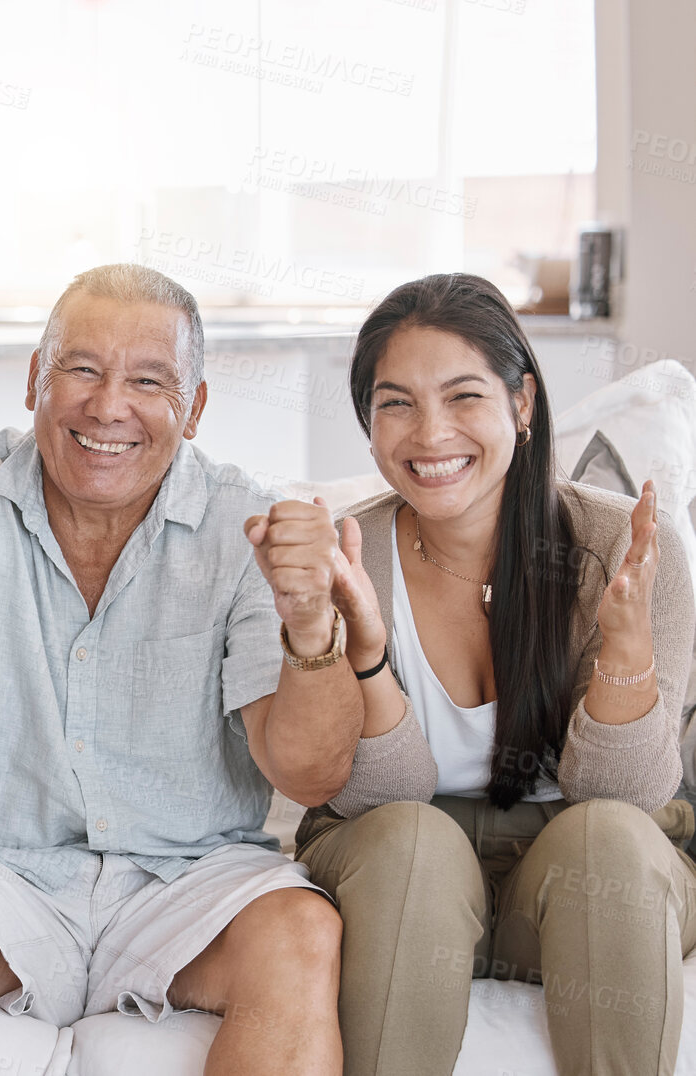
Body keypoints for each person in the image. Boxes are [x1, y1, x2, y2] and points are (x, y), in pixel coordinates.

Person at [0, 264, 346, 1076]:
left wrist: (312, 625)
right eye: (81, 369)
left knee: (302, 930)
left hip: (185, 882)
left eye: (149, 380)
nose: (108, 407)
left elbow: (309, 774)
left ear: (195, 409)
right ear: (35, 379)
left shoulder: (244, 522)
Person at [250, 272, 696, 1076]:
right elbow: (374, 801)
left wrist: (625, 652)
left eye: (462, 397)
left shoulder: (618, 548)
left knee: (608, 839)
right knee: (413, 842)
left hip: (577, 873)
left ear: (521, 404)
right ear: (368, 422)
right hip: (401, 874)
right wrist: (368, 652)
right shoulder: (353, 557)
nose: (430, 434)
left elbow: (627, 799)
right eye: (395, 403)